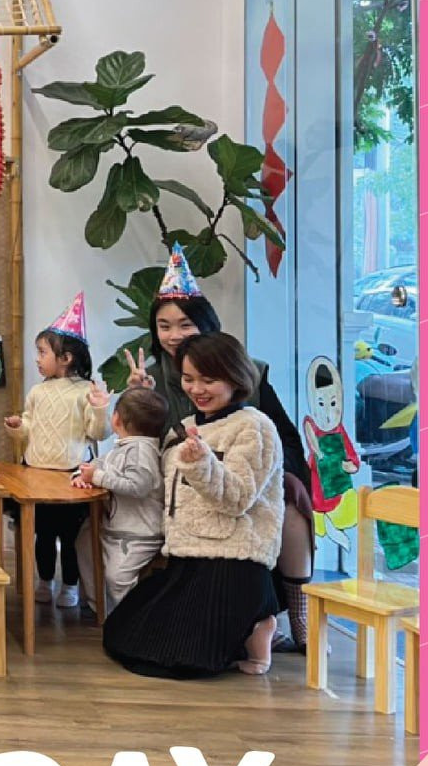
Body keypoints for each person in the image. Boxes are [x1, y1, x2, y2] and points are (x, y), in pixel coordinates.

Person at [122, 244, 316, 650]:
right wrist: (142, 401)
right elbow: (145, 447)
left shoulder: (247, 370)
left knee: (292, 501)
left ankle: (297, 614)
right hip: (185, 485)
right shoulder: (151, 377)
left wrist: (280, 475)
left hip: (246, 479)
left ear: (206, 324)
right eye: (164, 326)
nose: (174, 335)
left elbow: (283, 434)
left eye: (185, 324)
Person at [103, 333, 284, 678]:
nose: (197, 389)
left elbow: (238, 498)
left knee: (183, 658)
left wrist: (202, 464)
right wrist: (140, 397)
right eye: (188, 379)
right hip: (188, 553)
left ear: (235, 377)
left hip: (235, 556)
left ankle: (259, 620)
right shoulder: (186, 427)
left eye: (208, 380)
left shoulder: (255, 427)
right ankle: (251, 624)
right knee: (122, 635)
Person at [4, 294, 109, 610]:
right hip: (37, 474)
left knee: (72, 537)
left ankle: (71, 584)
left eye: (42, 352)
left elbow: (97, 432)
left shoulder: (85, 391)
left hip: (72, 477)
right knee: (44, 534)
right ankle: (45, 580)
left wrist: (100, 409)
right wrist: (18, 426)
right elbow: (30, 425)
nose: (37, 359)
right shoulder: (37, 391)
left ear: (65, 358)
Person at [74, 386, 167, 614]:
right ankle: (100, 606)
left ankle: (128, 618)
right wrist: (81, 475)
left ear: (116, 419)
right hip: (117, 528)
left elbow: (139, 485)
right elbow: (99, 464)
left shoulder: (141, 451)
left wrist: (98, 477)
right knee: (84, 540)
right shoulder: (124, 447)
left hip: (138, 533)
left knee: (117, 578)